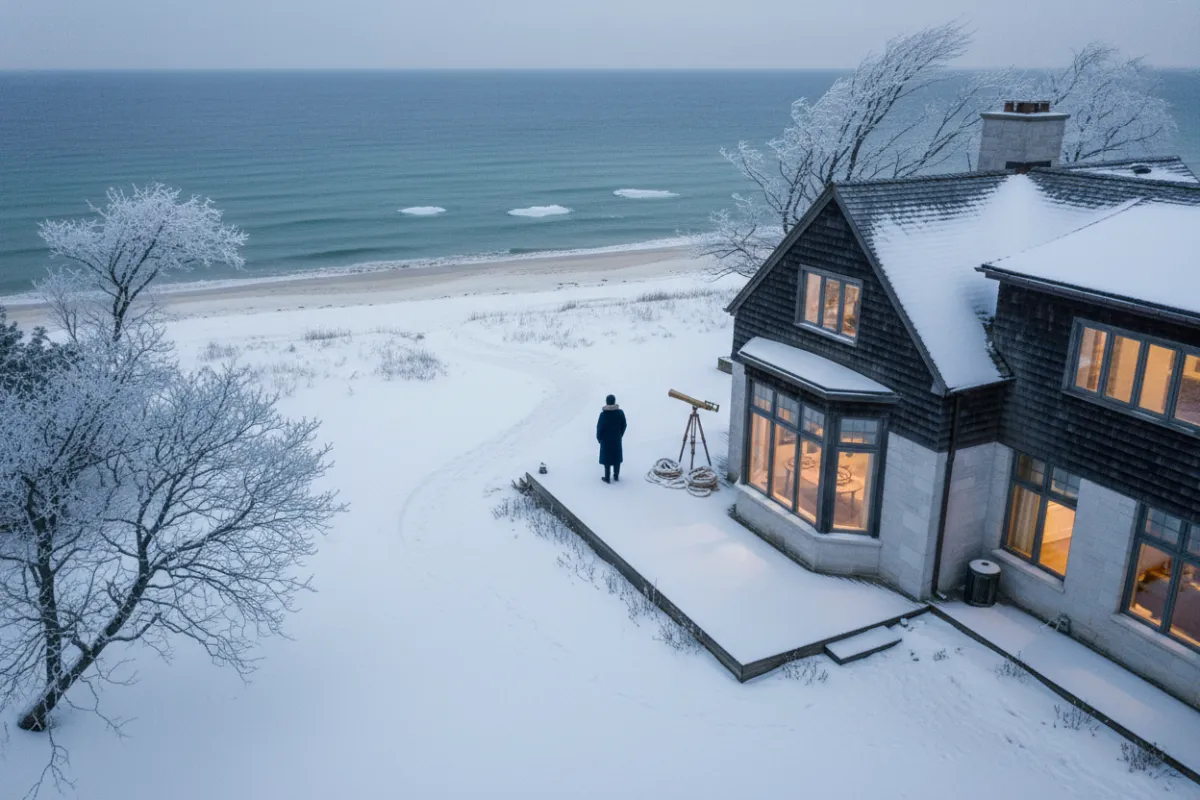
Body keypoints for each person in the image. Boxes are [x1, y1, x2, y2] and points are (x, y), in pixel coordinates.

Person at [596, 393, 627, 484]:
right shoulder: (620, 413)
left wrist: (599, 438)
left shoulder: (603, 414)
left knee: (607, 459)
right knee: (616, 457)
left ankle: (607, 478)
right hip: (616, 439)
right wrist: (620, 434)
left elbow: (599, 427)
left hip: (606, 440)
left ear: (607, 402)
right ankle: (616, 476)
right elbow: (624, 425)